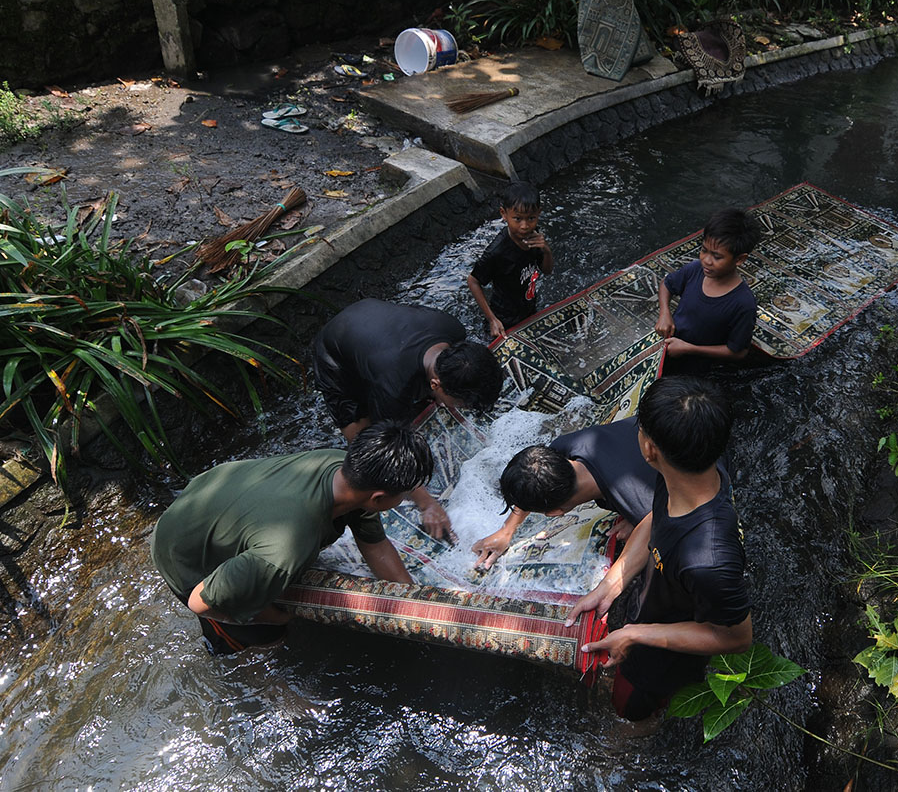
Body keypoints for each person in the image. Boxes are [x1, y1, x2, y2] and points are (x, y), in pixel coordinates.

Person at [151, 422, 433, 654]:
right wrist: (276, 616)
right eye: (404, 494)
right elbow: (200, 602)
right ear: (379, 498)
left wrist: (414, 604)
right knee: (271, 637)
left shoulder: (341, 467)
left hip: (209, 497)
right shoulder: (285, 550)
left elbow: (377, 547)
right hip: (181, 552)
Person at [566, 376, 752, 721]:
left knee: (630, 712)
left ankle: (632, 744)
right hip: (655, 610)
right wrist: (613, 582)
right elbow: (656, 516)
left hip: (664, 657)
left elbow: (735, 638)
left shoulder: (708, 559)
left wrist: (636, 635)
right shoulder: (694, 471)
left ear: (649, 449)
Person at [311, 298, 504, 540]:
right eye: (461, 403)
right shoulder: (393, 387)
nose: (463, 409)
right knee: (363, 439)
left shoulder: (454, 331)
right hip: (335, 352)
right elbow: (383, 448)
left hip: (373, 321)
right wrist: (427, 504)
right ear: (436, 384)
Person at [471, 416, 657, 570]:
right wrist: (506, 530)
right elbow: (531, 475)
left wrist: (638, 524)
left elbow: (658, 520)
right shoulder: (567, 445)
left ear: (555, 513)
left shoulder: (641, 507)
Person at [655, 208, 761, 376]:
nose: (706, 260)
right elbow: (666, 284)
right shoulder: (695, 269)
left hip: (699, 366)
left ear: (740, 259)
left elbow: (738, 351)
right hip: (670, 347)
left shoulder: (743, 304)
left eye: (717, 257)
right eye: (704, 250)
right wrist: (665, 313)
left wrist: (689, 349)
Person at [467, 181, 555, 339]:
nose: (524, 226)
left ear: (539, 214)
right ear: (504, 214)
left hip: (528, 308)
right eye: (517, 219)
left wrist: (546, 250)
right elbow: (473, 281)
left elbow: (547, 271)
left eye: (531, 218)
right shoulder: (497, 251)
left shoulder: (535, 236)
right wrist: (492, 319)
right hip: (504, 319)